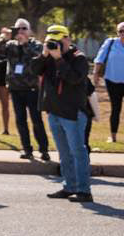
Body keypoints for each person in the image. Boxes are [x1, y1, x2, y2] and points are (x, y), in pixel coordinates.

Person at [34, 29, 95, 202]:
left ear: (67, 39)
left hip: (72, 113)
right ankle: (69, 187)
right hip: (54, 112)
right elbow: (34, 69)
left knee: (78, 152)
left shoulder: (79, 58)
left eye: (57, 41)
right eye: (51, 42)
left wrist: (59, 59)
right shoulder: (49, 57)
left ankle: (84, 191)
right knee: (64, 153)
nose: (55, 45)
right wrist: (44, 55)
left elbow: (74, 78)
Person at [3, 19, 51, 162]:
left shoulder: (36, 45)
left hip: (32, 89)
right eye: (18, 29)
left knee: (36, 120)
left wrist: (24, 44)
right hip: (15, 89)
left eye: (24, 28)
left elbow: (37, 58)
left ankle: (44, 149)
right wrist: (4, 38)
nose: (21, 31)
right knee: (20, 121)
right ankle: (27, 149)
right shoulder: (10, 45)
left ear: (30, 31)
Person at [94, 20, 124, 144]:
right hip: (113, 81)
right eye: (121, 31)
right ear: (118, 33)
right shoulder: (110, 43)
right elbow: (99, 59)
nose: (123, 33)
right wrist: (96, 74)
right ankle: (113, 136)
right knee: (115, 109)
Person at [0, 25, 15, 132]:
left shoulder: (16, 45)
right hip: (2, 77)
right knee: (4, 104)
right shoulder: (0, 45)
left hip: (16, 78)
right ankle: (6, 129)